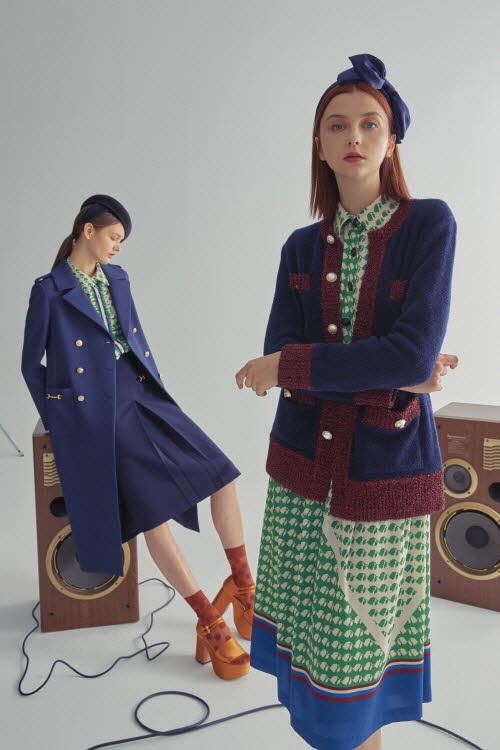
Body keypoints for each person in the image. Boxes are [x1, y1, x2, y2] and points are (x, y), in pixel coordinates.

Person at [235, 54, 459, 749]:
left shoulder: (429, 226)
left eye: (370, 123)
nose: (353, 136)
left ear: (392, 141)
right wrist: (391, 372)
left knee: (354, 673)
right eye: (337, 125)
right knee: (313, 669)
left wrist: (295, 366)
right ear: (319, 143)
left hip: (379, 479)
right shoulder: (300, 247)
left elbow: (402, 355)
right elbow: (289, 360)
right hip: (301, 478)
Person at [21, 194, 255, 680]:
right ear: (87, 230)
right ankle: (209, 621)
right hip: (97, 409)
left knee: (222, 474)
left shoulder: (119, 279)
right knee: (152, 514)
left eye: (121, 241)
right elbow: (31, 364)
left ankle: (243, 585)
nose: (118, 247)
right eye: (113, 237)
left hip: (144, 392)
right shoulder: (49, 290)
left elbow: (135, 339)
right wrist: (63, 417)